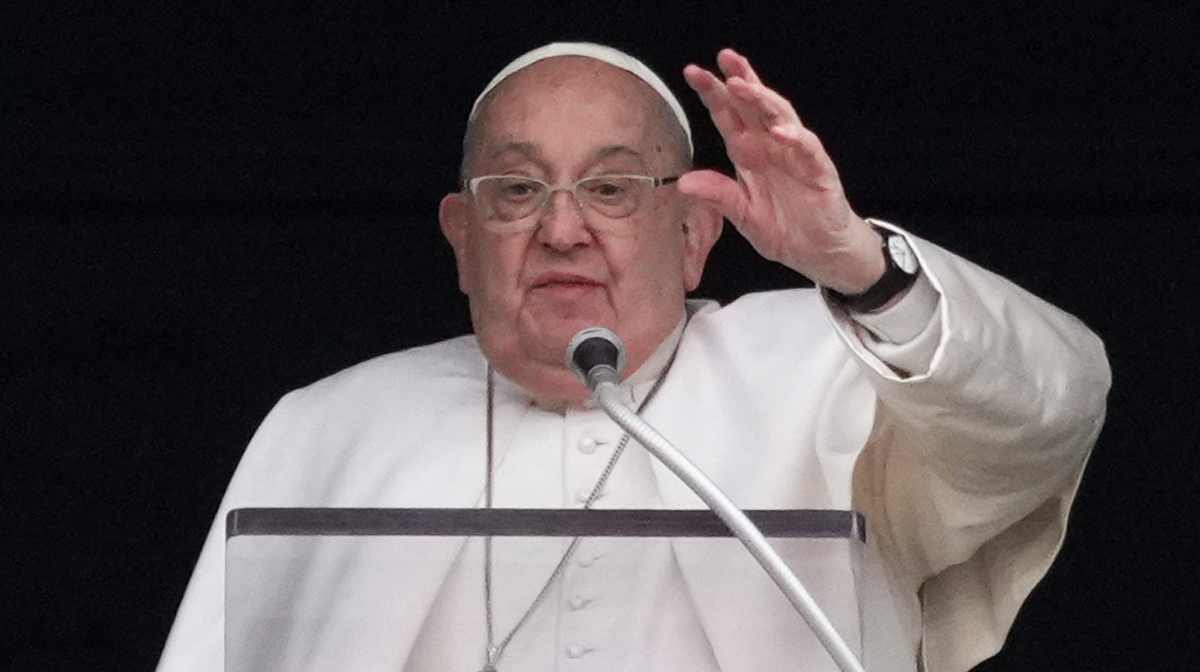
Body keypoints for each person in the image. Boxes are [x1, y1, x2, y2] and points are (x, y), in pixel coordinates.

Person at [157, 43, 1110, 672]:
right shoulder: (327, 426)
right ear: (462, 237)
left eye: (612, 188)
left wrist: (858, 266)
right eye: (517, 189)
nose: (561, 228)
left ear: (694, 232)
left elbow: (1054, 407)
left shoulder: (829, 365)